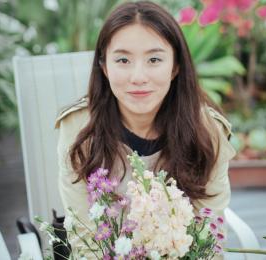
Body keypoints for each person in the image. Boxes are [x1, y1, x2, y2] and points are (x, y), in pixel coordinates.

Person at [55, 1, 235, 258]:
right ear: (104, 67)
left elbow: (209, 237)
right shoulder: (78, 128)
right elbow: (85, 241)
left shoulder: (207, 130)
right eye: (123, 60)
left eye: (154, 59)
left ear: (175, 67)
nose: (138, 76)